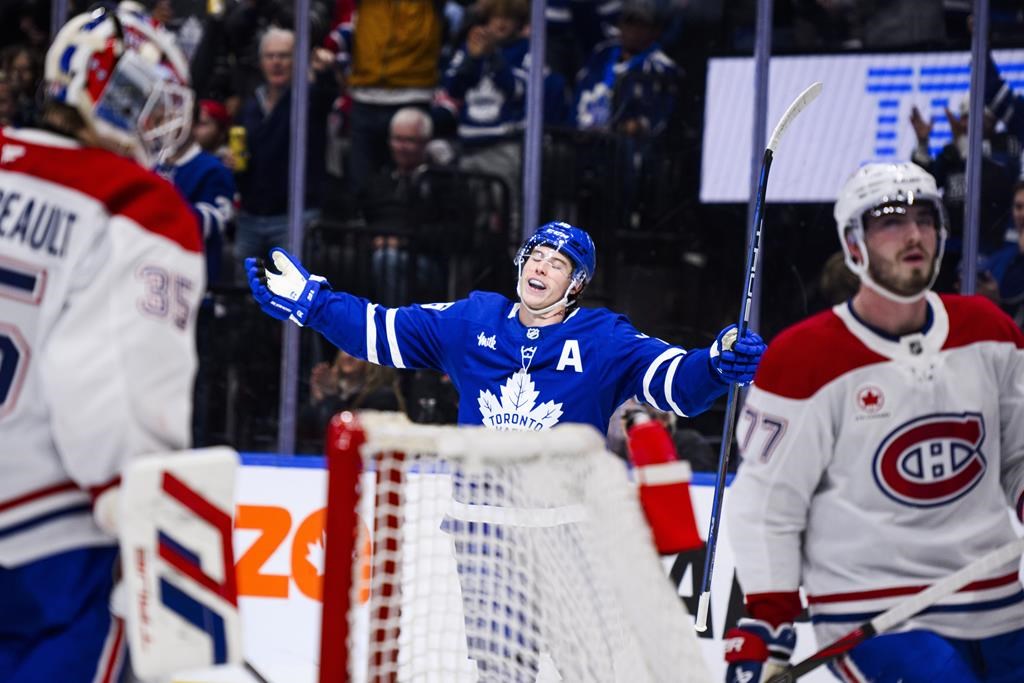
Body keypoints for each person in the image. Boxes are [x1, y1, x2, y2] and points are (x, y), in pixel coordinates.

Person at [725, 162, 1024, 683]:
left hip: (997, 597)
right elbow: (769, 506)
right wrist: (769, 615)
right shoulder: (803, 360)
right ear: (854, 243)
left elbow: (1018, 458)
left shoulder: (989, 332)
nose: (913, 234)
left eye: (925, 218)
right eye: (889, 220)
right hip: (873, 610)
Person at [0, 6, 204, 682]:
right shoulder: (137, 204)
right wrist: (141, 495)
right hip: (45, 539)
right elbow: (111, 382)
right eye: (140, 100)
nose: (152, 123)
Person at [244, 220, 765, 436]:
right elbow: (378, 332)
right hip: (482, 526)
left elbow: (677, 386)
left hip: (568, 525)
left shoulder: (605, 338)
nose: (540, 268)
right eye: (535, 257)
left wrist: (717, 363)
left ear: (577, 285)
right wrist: (314, 304)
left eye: (557, 264)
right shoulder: (473, 320)